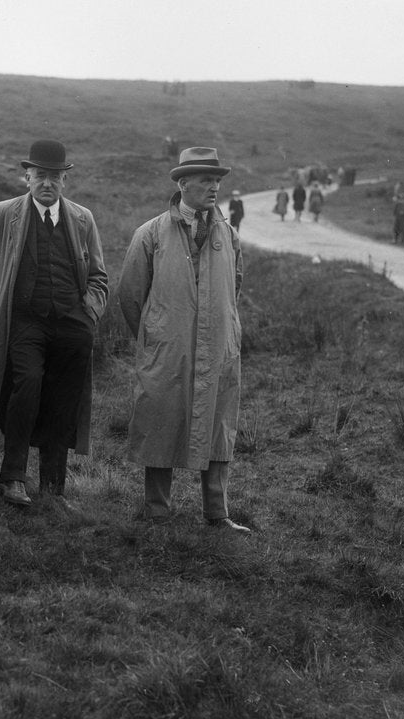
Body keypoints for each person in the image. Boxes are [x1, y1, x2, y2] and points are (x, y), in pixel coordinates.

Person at [117, 147, 249, 535]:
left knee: (218, 424)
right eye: (206, 180)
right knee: (160, 418)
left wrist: (217, 329)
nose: (214, 187)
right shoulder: (151, 233)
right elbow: (130, 295)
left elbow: (234, 288)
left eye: (218, 180)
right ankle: (156, 511)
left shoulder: (229, 235)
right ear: (182, 183)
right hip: (167, 351)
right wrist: (156, 335)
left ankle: (217, 514)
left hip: (219, 348)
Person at [0, 140, 108, 508]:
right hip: (25, 323)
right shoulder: (4, 213)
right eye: (40, 176)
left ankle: (54, 489)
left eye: (54, 176)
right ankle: (12, 479)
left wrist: (89, 312)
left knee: (64, 400)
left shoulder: (83, 218)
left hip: (71, 323)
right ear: (27, 178)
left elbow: (99, 275)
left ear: (64, 180)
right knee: (26, 387)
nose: (47, 183)